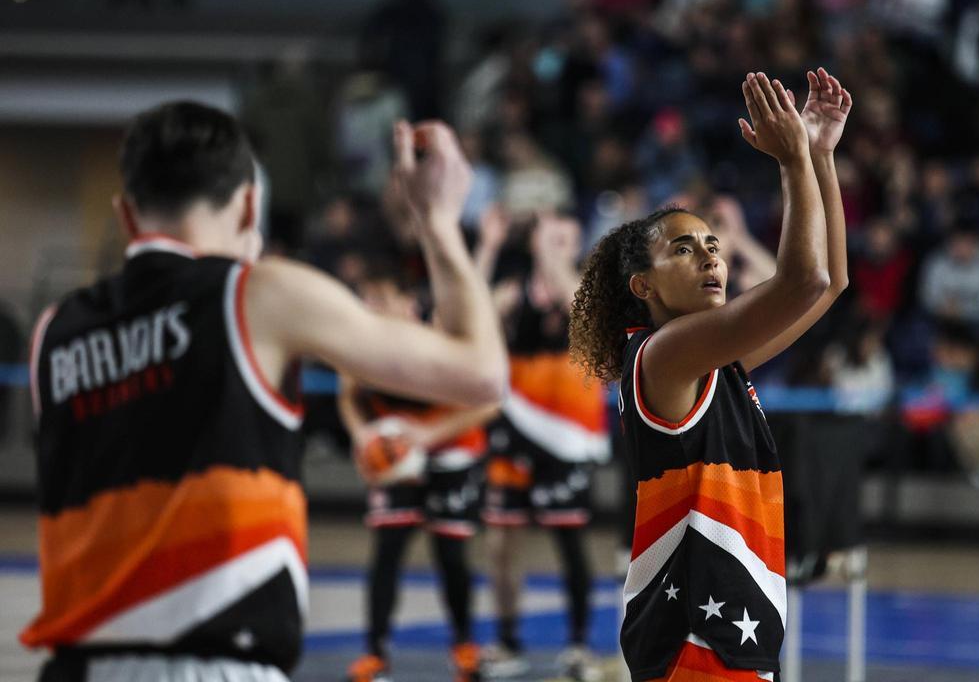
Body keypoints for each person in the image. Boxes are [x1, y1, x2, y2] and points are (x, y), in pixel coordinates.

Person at [20, 102, 507, 682]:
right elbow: (480, 374)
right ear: (250, 204)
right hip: (215, 666)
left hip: (74, 667)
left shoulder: (53, 330)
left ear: (126, 216)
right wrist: (438, 220)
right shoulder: (258, 293)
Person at [570, 70, 850, 681]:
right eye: (684, 249)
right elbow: (804, 281)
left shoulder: (714, 362)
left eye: (713, 244)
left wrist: (821, 155)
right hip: (695, 644)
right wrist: (793, 158)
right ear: (643, 287)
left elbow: (828, 286)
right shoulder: (662, 355)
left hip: (728, 639)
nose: (711, 256)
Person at [340, 271, 499, 682]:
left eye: (378, 297)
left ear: (408, 304)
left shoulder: (440, 342)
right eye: (366, 298)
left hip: (452, 450)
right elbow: (347, 396)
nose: (369, 307)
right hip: (398, 455)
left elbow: (489, 401)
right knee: (387, 550)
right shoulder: (362, 346)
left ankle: (464, 645)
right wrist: (362, 435)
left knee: (450, 554)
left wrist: (428, 435)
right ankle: (374, 652)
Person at [474, 210, 609, 681]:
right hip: (516, 431)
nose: (559, 243)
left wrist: (551, 260)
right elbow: (468, 311)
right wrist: (489, 248)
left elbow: (581, 315)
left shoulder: (589, 294)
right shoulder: (514, 294)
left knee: (570, 541)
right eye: (551, 235)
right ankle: (507, 641)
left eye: (568, 236)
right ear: (534, 240)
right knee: (500, 543)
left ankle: (577, 645)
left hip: (568, 440)